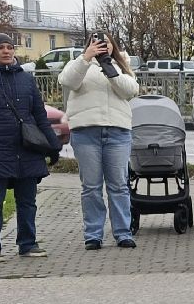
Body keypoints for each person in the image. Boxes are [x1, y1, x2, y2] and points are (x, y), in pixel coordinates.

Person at [0, 33, 60, 262]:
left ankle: (28, 244)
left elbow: (39, 115)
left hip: (26, 150)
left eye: (9, 47)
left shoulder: (25, 79)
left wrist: (52, 146)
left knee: (27, 202)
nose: (6, 51)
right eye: (1, 48)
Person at [60, 33, 140, 250]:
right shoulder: (80, 64)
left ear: (113, 45)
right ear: (90, 44)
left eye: (106, 42)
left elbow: (130, 90)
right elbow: (67, 81)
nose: (103, 46)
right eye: (97, 42)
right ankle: (93, 234)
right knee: (91, 187)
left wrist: (109, 68)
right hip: (86, 132)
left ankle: (123, 233)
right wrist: (86, 58)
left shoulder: (122, 65)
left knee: (119, 185)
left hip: (117, 132)